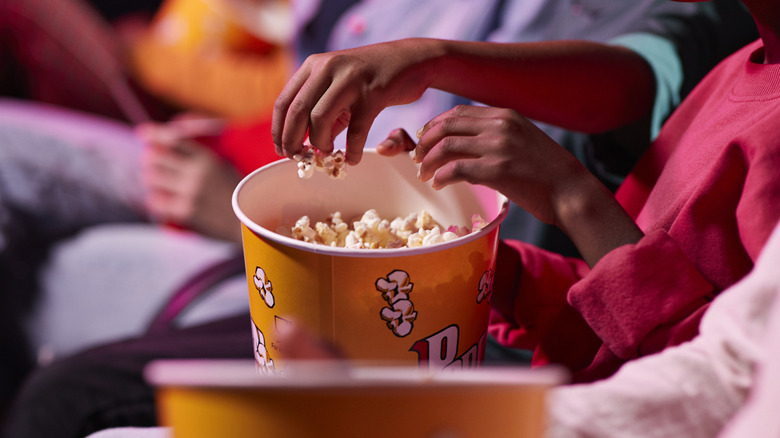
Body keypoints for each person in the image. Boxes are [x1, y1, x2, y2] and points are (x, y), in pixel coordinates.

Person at [272, 0, 780, 384]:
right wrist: (476, 263)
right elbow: (621, 287)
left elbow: (727, 383)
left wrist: (570, 196)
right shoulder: (737, 69)